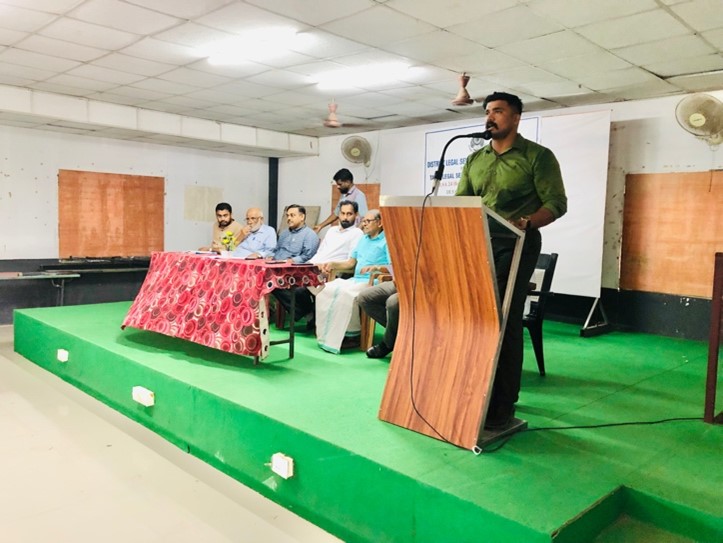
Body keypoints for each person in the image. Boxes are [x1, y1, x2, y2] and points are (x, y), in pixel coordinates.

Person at [455, 91, 567, 430]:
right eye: (488, 111)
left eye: (498, 111)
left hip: (517, 244)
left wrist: (527, 222)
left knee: (503, 318)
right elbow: (462, 204)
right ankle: (474, 389)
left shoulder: (537, 156)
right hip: (479, 245)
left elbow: (556, 203)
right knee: (475, 316)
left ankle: (502, 403)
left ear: (516, 117)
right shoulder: (475, 159)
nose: (490, 117)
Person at [274, 200, 363, 324]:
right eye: (342, 213)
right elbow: (320, 253)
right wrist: (309, 265)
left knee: (299, 289)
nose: (345, 217)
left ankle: (308, 314)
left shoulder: (357, 234)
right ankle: (309, 312)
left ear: (356, 215)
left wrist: (330, 265)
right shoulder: (332, 231)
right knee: (277, 283)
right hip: (315, 267)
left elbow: (350, 261)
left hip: (332, 271)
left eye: (349, 214)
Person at [315, 210, 390, 354]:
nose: (364, 224)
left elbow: (394, 267)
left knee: (346, 294)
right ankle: (327, 335)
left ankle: (353, 335)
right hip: (356, 279)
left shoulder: (386, 241)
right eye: (363, 221)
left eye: (368, 221)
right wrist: (333, 264)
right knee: (325, 289)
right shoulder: (363, 239)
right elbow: (350, 263)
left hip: (374, 281)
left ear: (380, 223)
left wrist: (377, 267)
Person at [313, 168, 368, 233]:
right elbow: (336, 213)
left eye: (340, 184)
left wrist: (355, 234)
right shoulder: (344, 194)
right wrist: (321, 225)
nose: (337, 187)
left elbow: (364, 218)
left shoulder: (359, 195)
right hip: (343, 232)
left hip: (353, 233)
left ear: (348, 182)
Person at [357, 281, 398, 359]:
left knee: (393, 302)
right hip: (400, 282)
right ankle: (397, 335)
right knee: (365, 297)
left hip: (421, 286)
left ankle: (388, 344)